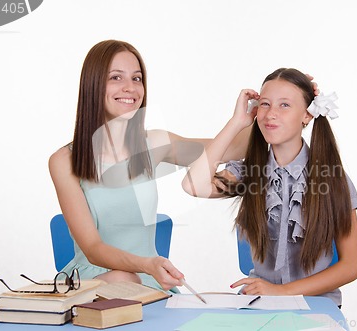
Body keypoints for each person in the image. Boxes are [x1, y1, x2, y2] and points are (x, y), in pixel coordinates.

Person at [48, 40, 251, 291]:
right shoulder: (64, 161)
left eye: (137, 78)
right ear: (93, 85)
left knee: (133, 285)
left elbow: (232, 149)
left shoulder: (153, 143)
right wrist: (146, 265)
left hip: (148, 278)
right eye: (116, 78)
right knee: (123, 280)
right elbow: (93, 249)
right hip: (97, 282)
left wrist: (265, 113)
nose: (130, 88)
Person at [182, 68, 357, 306]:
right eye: (265, 104)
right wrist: (236, 123)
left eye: (284, 105)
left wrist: (282, 291)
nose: (271, 114)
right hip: (260, 301)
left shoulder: (332, 179)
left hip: (316, 304)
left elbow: (351, 266)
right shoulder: (250, 172)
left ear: (307, 115)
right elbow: (193, 185)